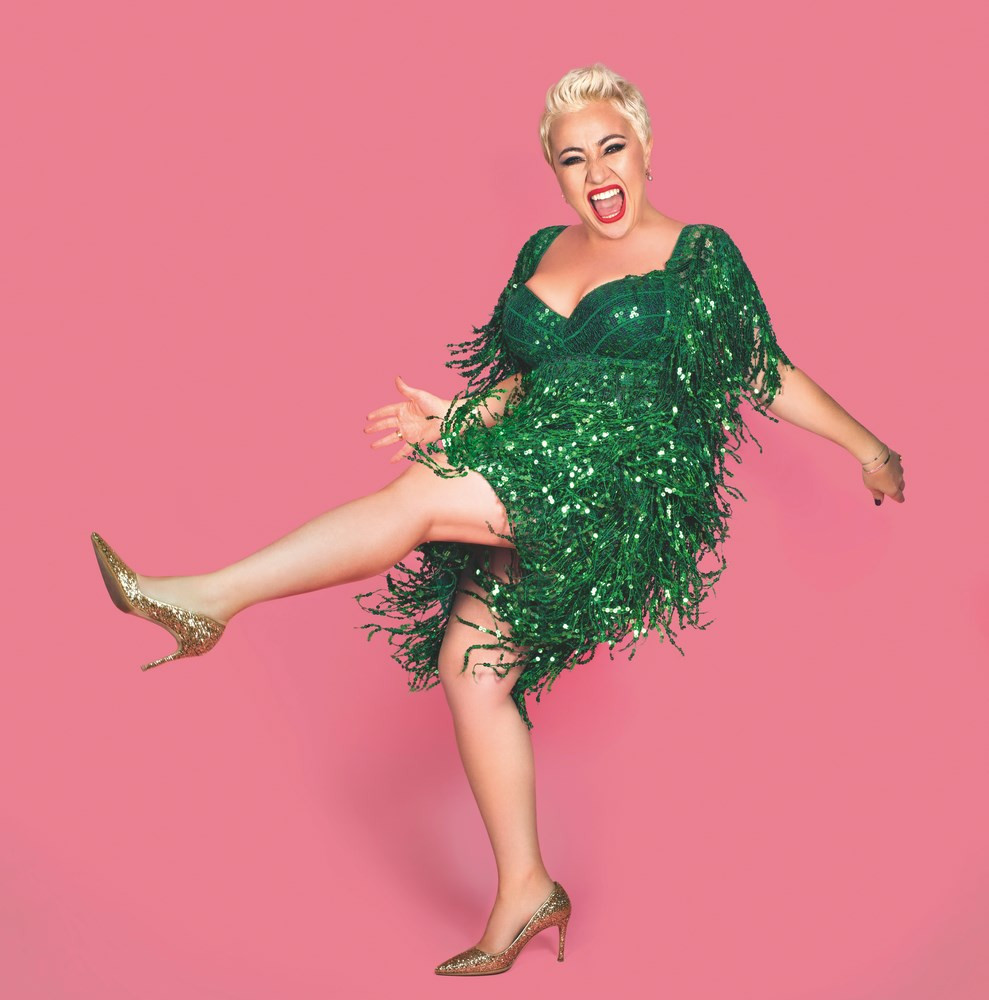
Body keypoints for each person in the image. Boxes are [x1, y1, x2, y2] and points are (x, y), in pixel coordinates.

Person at [90, 62, 906, 977]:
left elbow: (761, 368)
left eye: (611, 147)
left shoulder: (698, 254)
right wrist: (457, 416)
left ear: (644, 147)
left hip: (621, 480)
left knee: (417, 498)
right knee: (471, 668)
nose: (596, 171)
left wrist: (868, 448)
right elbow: (525, 383)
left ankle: (205, 600)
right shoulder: (540, 251)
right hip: (536, 457)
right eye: (572, 158)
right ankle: (526, 889)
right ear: (554, 172)